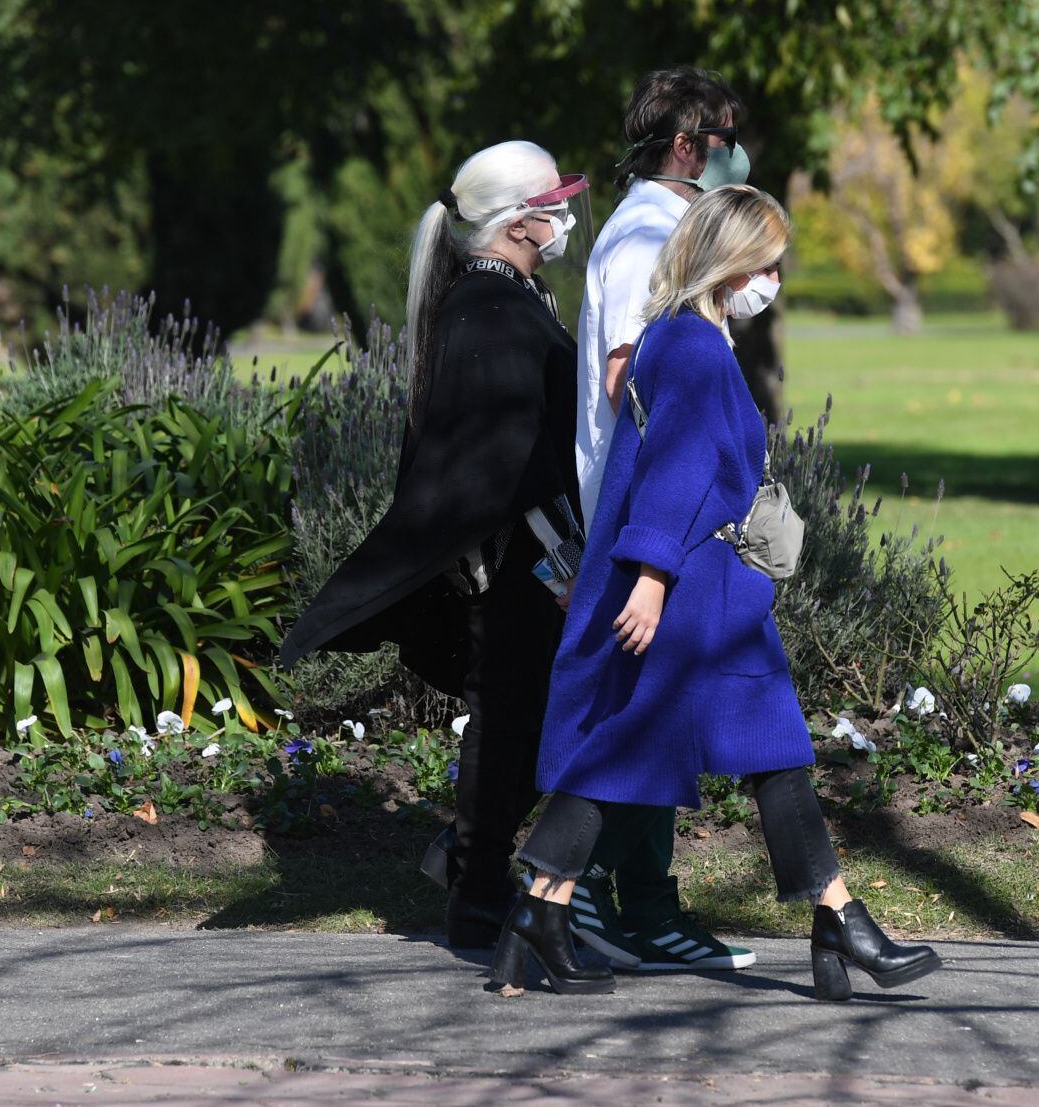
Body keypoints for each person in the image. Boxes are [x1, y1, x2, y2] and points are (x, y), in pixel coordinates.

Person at [493, 186, 942, 1001]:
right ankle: (543, 912)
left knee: (745, 750)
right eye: (764, 262)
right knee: (661, 750)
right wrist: (656, 579)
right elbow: (679, 472)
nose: (774, 276)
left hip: (704, 591)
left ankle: (545, 915)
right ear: (729, 262)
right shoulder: (697, 350)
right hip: (695, 595)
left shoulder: (673, 336)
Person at [278, 140, 591, 949]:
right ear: (521, 222)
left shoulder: (503, 301)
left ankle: (478, 875)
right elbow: (495, 463)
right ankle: (481, 893)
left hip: (526, 561)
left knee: (528, 721)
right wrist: (562, 557)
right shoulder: (492, 312)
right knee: (518, 721)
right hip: (520, 568)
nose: (565, 217)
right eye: (554, 203)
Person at [548, 66, 757, 973]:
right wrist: (656, 556)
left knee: (651, 709)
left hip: (663, 517)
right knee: (639, 710)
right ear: (688, 143)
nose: (736, 151)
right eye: (725, 136)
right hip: (648, 518)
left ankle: (619, 901)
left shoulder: (664, 224)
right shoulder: (643, 235)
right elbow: (630, 382)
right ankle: (587, 896)